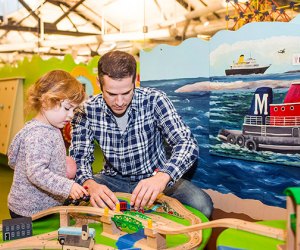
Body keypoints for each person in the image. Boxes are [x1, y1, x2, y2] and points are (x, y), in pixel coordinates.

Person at [70, 51, 213, 218]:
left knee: (203, 206)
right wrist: (90, 184)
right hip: (111, 179)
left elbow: (187, 143)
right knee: (75, 202)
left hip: (155, 176)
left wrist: (162, 177)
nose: (119, 102)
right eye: (111, 94)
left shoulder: (155, 100)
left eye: (126, 93)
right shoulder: (86, 110)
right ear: (98, 83)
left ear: (135, 80)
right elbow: (79, 158)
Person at [7, 70, 89, 218]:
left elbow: (14, 160)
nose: (71, 115)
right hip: (30, 211)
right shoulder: (40, 134)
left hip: (42, 206)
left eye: (74, 109)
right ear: (45, 102)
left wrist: (58, 165)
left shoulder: (50, 126)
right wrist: (67, 186)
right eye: (67, 108)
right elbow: (36, 173)